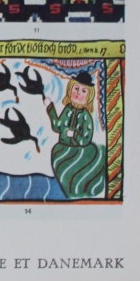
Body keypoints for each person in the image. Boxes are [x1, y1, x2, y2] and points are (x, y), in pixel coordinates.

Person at [46, 70, 106, 199]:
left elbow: (86, 139)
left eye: (83, 91)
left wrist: (73, 134)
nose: (78, 93)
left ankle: (79, 194)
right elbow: (57, 126)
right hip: (63, 149)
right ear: (70, 89)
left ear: (89, 96)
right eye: (76, 88)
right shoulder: (67, 109)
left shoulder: (85, 116)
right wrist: (50, 107)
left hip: (79, 151)